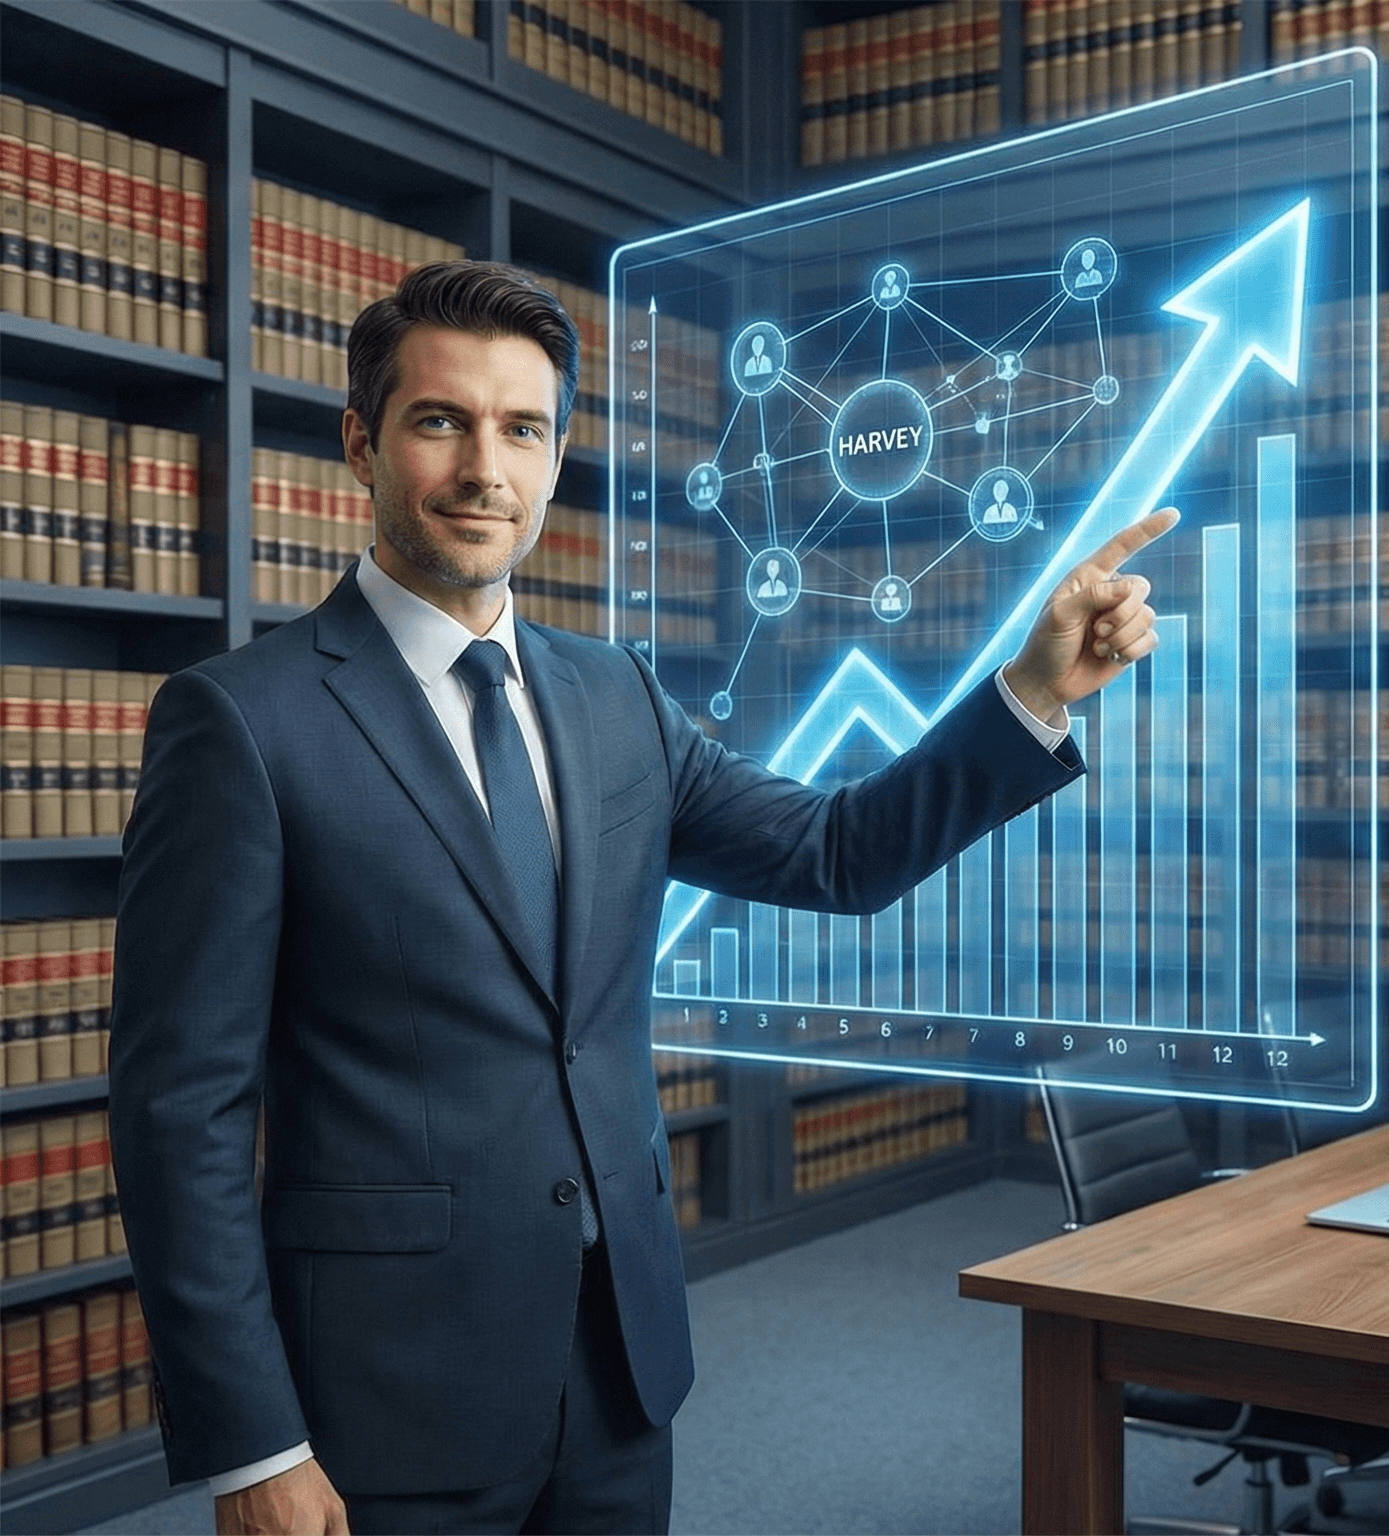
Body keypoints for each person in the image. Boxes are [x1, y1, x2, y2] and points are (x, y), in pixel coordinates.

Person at [106, 261, 1177, 1535]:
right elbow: (182, 1110)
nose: (482, 470)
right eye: (440, 420)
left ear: (557, 459)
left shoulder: (614, 695)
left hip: (619, 1372)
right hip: (380, 1399)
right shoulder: (241, 721)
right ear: (362, 442)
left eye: (522, 429)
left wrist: (1033, 695)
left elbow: (835, 854)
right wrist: (252, 1445)